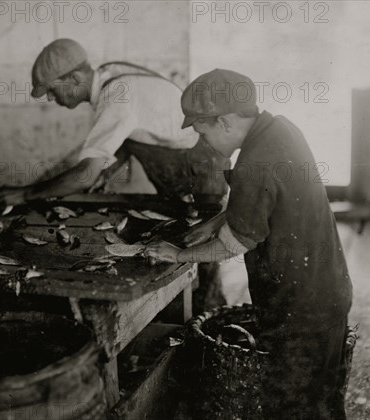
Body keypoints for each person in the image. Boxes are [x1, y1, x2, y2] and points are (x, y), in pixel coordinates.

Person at [146, 69, 353, 419]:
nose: (204, 142)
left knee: (291, 406)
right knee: (324, 398)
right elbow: (265, 201)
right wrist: (212, 223)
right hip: (327, 291)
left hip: (300, 309)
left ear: (225, 122)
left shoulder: (254, 162)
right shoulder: (279, 128)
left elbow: (237, 242)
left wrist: (180, 254)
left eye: (203, 131)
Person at [0, 38, 230, 312]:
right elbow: (126, 140)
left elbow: (85, 174)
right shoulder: (110, 73)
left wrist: (24, 194)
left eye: (52, 90)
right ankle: (193, 313)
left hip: (200, 166)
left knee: (204, 246)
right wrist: (107, 174)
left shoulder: (116, 95)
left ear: (75, 77)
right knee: (184, 241)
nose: (50, 98)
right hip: (183, 164)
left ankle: (210, 317)